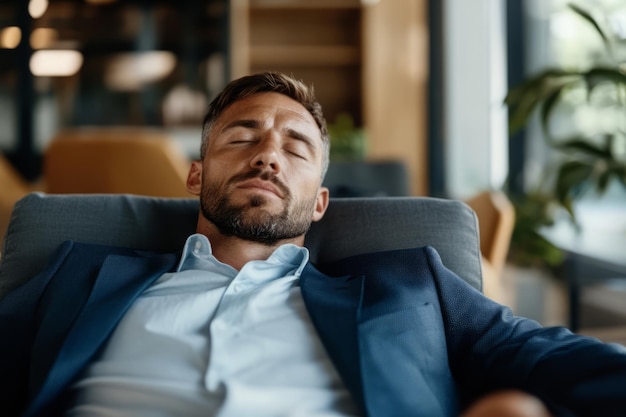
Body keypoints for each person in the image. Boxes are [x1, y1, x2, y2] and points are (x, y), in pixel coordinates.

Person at [0, 72, 625, 417]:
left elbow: (550, 357)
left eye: (296, 147)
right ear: (196, 174)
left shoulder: (409, 284)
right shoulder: (80, 274)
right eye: (242, 135)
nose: (269, 153)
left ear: (320, 201)